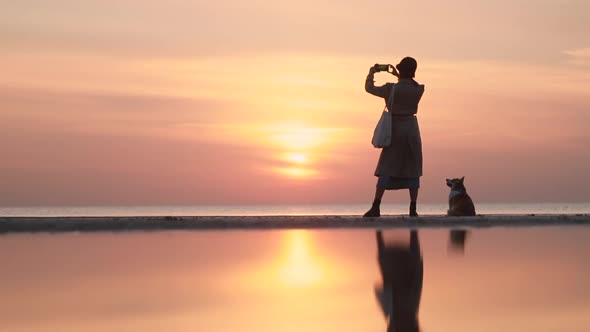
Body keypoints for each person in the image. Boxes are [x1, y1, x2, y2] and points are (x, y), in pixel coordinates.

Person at [363, 57, 425, 217]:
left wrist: (372, 72)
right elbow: (412, 84)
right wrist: (399, 75)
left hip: (395, 129)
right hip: (411, 130)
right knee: (413, 168)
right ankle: (413, 208)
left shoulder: (391, 89)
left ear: (400, 70)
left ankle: (376, 206)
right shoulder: (418, 89)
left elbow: (369, 88)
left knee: (386, 167)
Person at [374, 230, 423, 332]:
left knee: (391, 271)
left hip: (402, 306)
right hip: (405, 306)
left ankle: (378, 229)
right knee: (412, 268)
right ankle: (378, 230)